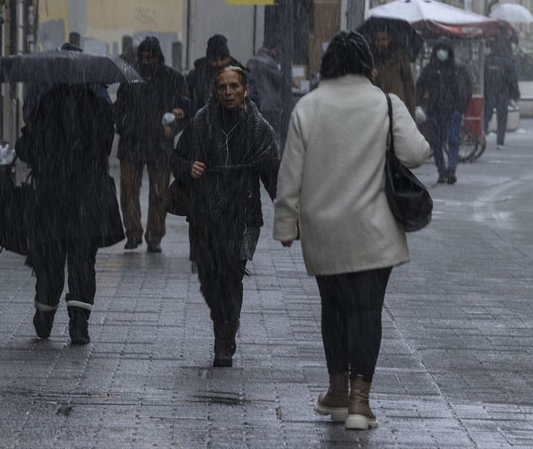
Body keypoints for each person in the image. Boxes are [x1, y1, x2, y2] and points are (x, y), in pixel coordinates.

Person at [273, 31, 428, 431]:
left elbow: (290, 175)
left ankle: (337, 390)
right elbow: (416, 153)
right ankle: (360, 401)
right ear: (367, 66)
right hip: (375, 230)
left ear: (328, 65)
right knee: (366, 310)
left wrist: (286, 224)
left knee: (334, 308)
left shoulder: (308, 107)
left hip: (324, 230)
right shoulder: (386, 104)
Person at [171, 65, 280, 368]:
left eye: (234, 86)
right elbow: (176, 158)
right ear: (215, 90)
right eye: (222, 87)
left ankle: (225, 338)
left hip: (243, 215)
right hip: (205, 213)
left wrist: (289, 212)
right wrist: (188, 167)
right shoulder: (200, 122)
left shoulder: (259, 128)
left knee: (232, 277)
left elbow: (273, 175)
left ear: (246, 90)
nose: (228, 92)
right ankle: (221, 321)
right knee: (209, 278)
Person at [15, 80, 123, 345]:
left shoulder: (45, 103)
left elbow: (26, 149)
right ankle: (79, 323)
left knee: (49, 259)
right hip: (88, 197)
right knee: (82, 260)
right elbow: (106, 147)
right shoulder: (98, 105)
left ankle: (44, 313)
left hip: (52, 197)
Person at [113, 36, 188, 252]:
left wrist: (173, 126)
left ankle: (154, 236)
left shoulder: (172, 78)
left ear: (158, 57)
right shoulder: (131, 78)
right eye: (144, 57)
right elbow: (119, 108)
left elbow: (184, 108)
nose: (147, 61)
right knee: (128, 189)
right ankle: (133, 232)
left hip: (159, 144)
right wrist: (124, 125)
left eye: (151, 57)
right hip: (132, 142)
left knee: (159, 192)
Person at [416, 36, 473, 184]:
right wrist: (420, 105)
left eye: (444, 49)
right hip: (435, 110)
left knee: (452, 140)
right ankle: (442, 171)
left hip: (453, 111)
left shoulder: (458, 69)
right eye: (439, 49)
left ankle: (451, 169)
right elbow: (420, 86)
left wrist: (460, 107)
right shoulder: (431, 69)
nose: (442, 52)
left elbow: (466, 89)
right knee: (437, 143)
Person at [185, 34, 244, 118]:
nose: (219, 63)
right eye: (214, 60)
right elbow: (187, 100)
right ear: (208, 60)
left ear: (229, 58)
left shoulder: (241, 75)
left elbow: (252, 101)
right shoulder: (195, 77)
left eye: (222, 59)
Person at [246, 35, 285, 151]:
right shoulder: (270, 63)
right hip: (270, 105)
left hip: (256, 103)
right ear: (272, 48)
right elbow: (281, 81)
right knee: (272, 136)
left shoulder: (251, 60)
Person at [484, 37, 520, 149]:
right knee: (502, 118)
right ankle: (500, 141)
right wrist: (515, 94)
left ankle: (481, 134)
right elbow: (513, 80)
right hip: (503, 93)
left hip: (489, 93)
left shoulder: (487, 61)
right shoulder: (508, 62)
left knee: (486, 115)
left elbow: (482, 78)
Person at [370, 28, 416, 115]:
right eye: (377, 40)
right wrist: (370, 76)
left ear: (389, 39)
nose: (380, 43)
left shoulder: (400, 57)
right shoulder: (370, 59)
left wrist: (411, 111)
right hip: (377, 107)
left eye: (384, 39)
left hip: (397, 106)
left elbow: (409, 84)